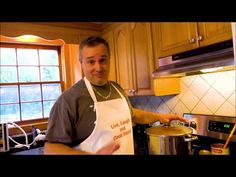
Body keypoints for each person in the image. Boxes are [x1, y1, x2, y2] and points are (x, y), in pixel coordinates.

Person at [44, 36, 188, 155]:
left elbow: (131, 114)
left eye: (103, 60)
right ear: (81, 63)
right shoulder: (69, 100)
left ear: (109, 60)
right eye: (91, 62)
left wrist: (161, 117)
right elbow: (50, 148)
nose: (98, 68)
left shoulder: (116, 88)